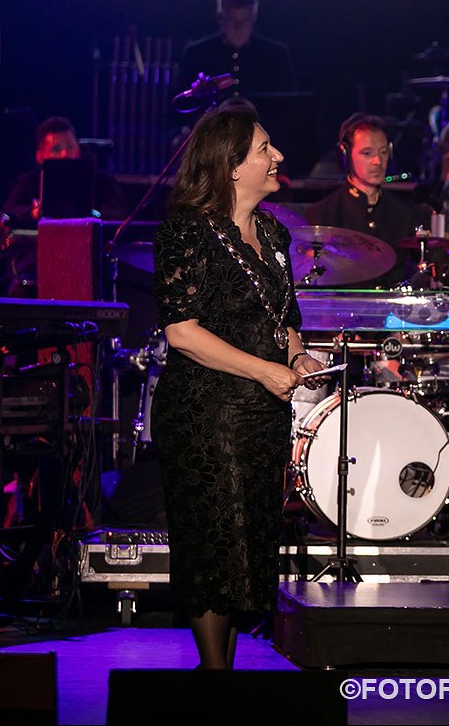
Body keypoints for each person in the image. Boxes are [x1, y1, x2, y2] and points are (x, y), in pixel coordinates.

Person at [151, 101, 324, 669]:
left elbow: (285, 319)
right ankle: (215, 677)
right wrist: (263, 369)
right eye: (264, 149)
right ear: (230, 165)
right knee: (213, 543)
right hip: (204, 412)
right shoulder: (186, 230)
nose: (279, 157)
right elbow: (182, 332)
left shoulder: (272, 231)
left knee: (246, 545)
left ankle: (222, 679)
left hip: (260, 415)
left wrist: (298, 357)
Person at [0, 116, 128, 295]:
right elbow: (10, 210)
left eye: (70, 147)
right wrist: (33, 213)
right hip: (37, 264)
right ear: (40, 156)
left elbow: (120, 214)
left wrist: (92, 216)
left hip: (90, 261)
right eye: (56, 149)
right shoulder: (28, 182)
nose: (64, 154)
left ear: (78, 149)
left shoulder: (102, 182)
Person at [304, 113, 433, 289]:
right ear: (345, 155)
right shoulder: (321, 215)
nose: (378, 161)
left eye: (383, 152)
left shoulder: (409, 213)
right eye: (367, 153)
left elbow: (434, 266)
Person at [178, 0, 297, 103]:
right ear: (220, 18)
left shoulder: (275, 55)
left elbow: (289, 104)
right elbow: (180, 103)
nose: (239, 28)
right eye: (232, 21)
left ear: (254, 18)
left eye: (245, 21)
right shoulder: (197, 53)